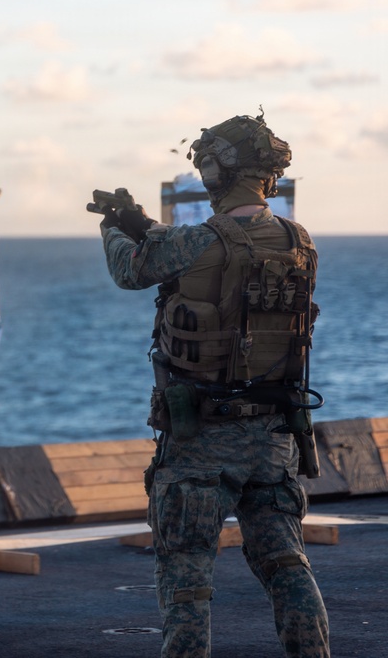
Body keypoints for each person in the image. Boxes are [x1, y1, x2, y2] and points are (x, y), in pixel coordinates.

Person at [95, 112, 329, 658]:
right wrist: (142, 221)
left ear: (216, 171)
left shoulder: (196, 242)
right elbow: (209, 251)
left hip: (201, 439)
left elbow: (133, 269)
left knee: (187, 578)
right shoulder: (299, 241)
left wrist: (113, 226)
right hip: (273, 439)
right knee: (287, 564)